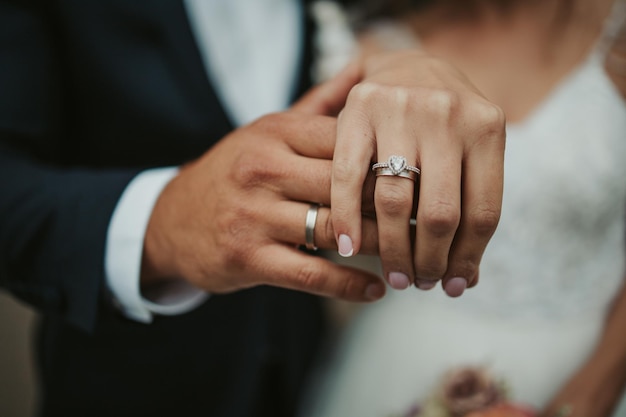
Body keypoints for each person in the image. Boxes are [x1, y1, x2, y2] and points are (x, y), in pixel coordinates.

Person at [0, 1, 505, 416]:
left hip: (310, 367)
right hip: (133, 383)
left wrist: (401, 62)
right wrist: (162, 221)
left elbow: (364, 38)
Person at [303, 0, 626, 416]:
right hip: (402, 360)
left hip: (594, 354)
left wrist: (594, 388)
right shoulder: (364, 43)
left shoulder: (615, 35)